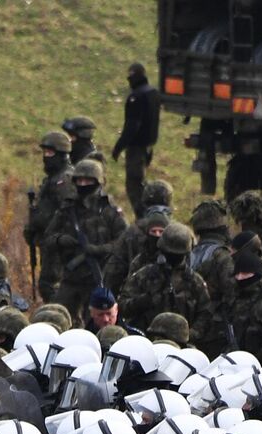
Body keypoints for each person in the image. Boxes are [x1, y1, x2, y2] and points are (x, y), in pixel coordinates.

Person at [42, 160, 127, 319]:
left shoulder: (110, 210)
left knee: (98, 321)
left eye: (88, 181)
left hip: (99, 277)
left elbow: (124, 242)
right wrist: (61, 240)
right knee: (56, 316)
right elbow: (48, 238)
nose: (83, 184)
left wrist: (100, 250)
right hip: (71, 277)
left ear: (98, 182)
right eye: (80, 181)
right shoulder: (67, 209)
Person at [119, 223, 212, 339]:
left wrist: (190, 334)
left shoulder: (194, 281)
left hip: (183, 346)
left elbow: (205, 313)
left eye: (178, 254)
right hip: (148, 342)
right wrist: (144, 300)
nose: (173, 257)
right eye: (170, 253)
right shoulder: (144, 276)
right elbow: (123, 306)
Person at [25, 130, 74, 303]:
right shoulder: (52, 179)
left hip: (58, 245)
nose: (46, 157)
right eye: (44, 152)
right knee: (46, 284)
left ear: (62, 154)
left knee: (50, 286)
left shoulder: (64, 180)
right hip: (48, 242)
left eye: (50, 153)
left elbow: (67, 211)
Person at [111, 62, 161, 214]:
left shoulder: (136, 97)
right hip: (148, 146)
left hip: (137, 147)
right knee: (141, 183)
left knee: (134, 186)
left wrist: (119, 147)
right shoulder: (153, 93)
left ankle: (144, 219)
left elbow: (132, 126)